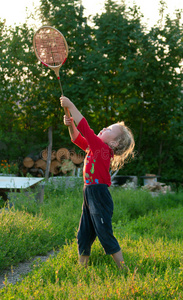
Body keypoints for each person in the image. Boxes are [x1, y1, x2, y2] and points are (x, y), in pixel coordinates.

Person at [60, 96, 135, 270]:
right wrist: (70, 124)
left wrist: (71, 105)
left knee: (104, 234)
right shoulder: (94, 148)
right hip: (89, 194)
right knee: (84, 233)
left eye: (108, 129)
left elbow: (85, 128)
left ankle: (124, 269)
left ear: (114, 143)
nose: (103, 128)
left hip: (99, 195)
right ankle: (82, 269)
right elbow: (77, 138)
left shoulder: (102, 149)